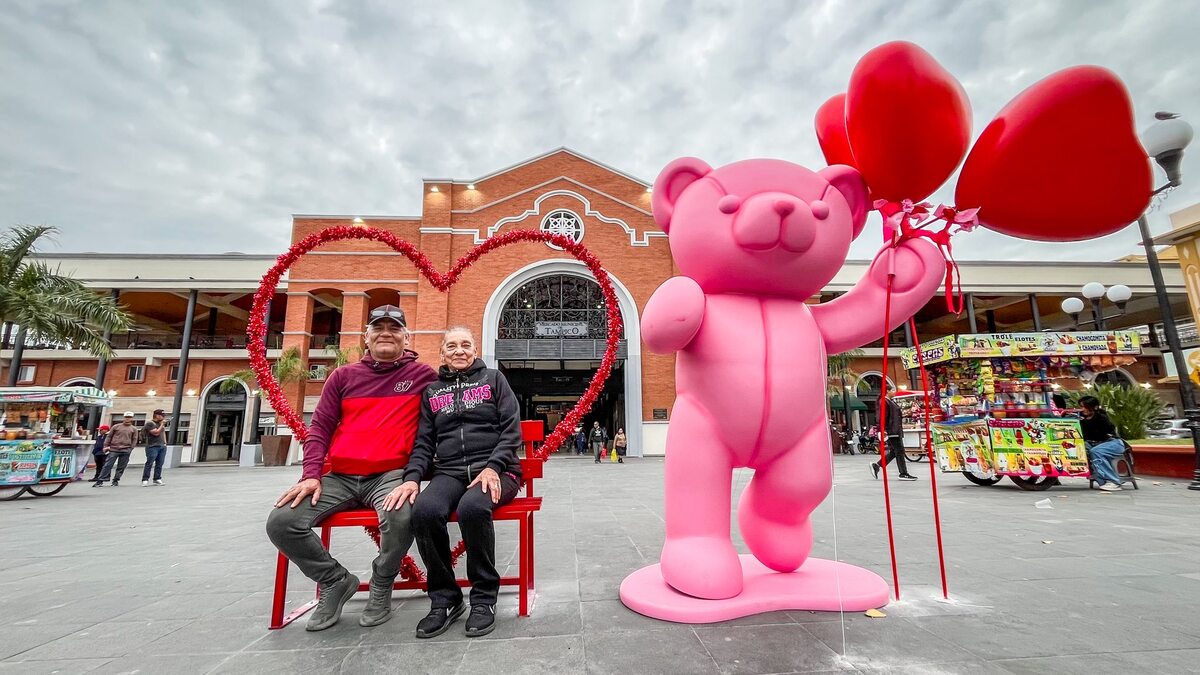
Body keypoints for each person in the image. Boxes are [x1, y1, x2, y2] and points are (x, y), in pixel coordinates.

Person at [264, 305, 437, 631]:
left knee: (400, 516)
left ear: (406, 337)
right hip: (341, 476)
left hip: (390, 474)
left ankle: (382, 581)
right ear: (366, 337)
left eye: (394, 328)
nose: (386, 332)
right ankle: (335, 580)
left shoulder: (422, 376)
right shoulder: (342, 377)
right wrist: (311, 475)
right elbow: (320, 429)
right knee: (282, 522)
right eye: (378, 327)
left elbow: (448, 409)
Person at [395, 326, 523, 639]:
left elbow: (511, 431)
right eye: (451, 346)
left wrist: (493, 466)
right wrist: (412, 479)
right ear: (442, 353)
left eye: (465, 345)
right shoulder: (432, 392)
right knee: (424, 511)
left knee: (473, 508)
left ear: (475, 350)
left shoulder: (494, 379)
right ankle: (445, 599)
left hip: (498, 469)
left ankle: (483, 598)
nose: (459, 351)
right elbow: (424, 442)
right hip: (450, 472)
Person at [1078, 395, 1125, 491]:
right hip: (1095, 443)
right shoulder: (1081, 418)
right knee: (1079, 449)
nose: (1082, 409)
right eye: (1081, 406)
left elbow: (1102, 434)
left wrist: (1085, 423)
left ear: (1093, 407)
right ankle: (1098, 476)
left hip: (1113, 443)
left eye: (1084, 406)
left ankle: (1114, 481)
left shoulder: (1101, 418)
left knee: (1096, 452)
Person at [870, 391, 917, 481]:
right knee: (899, 450)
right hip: (892, 430)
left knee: (894, 451)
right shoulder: (884, 401)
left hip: (894, 429)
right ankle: (903, 473)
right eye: (892, 390)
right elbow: (882, 417)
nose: (894, 392)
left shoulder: (890, 401)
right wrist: (883, 430)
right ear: (887, 391)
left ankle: (877, 465)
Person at [94, 412, 138, 487]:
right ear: (123, 417)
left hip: (126, 449)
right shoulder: (116, 426)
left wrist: (131, 448)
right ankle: (100, 480)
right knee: (107, 465)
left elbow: (134, 439)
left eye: (129, 417)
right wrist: (105, 446)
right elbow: (109, 436)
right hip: (114, 449)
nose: (127, 419)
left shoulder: (134, 429)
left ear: (132, 418)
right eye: (126, 417)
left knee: (121, 466)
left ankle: (116, 480)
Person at [141, 409, 168, 486]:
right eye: (162, 415)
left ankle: (157, 478)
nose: (163, 417)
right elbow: (156, 433)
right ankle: (145, 479)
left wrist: (165, 443)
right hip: (152, 446)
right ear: (157, 415)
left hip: (161, 446)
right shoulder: (150, 423)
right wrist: (162, 424)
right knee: (149, 462)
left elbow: (163, 433)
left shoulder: (160, 424)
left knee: (160, 463)